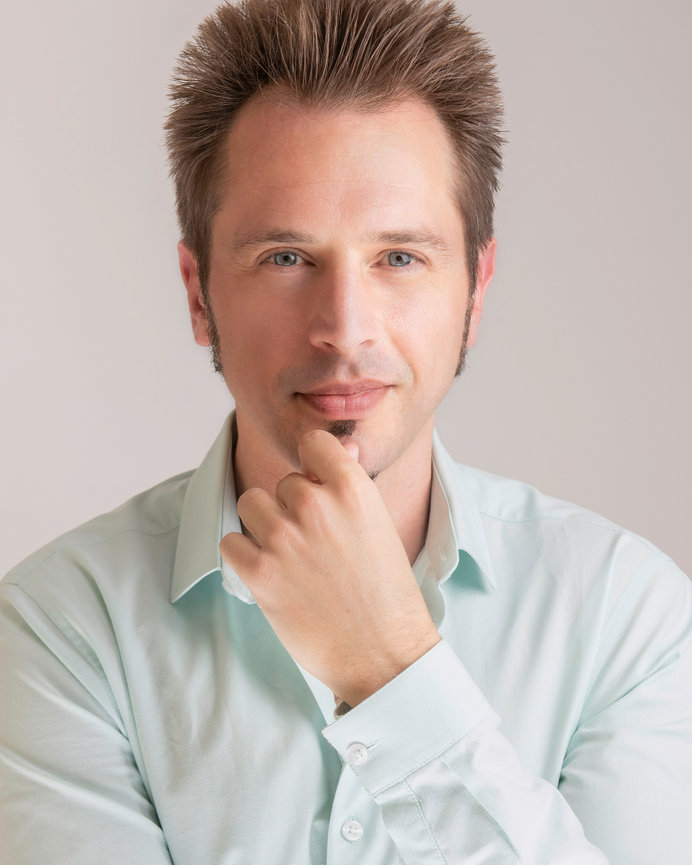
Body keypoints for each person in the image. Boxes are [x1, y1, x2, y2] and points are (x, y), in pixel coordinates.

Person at [1, 0, 690, 862]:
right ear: (197, 292)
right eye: (286, 258)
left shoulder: (627, 618)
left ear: (475, 292)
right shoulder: (63, 628)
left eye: (399, 257)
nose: (345, 328)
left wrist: (389, 667)